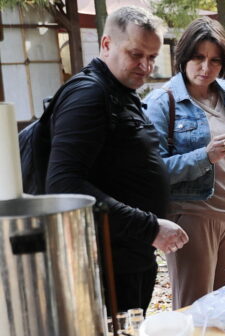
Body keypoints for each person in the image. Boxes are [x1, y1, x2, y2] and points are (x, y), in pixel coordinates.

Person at [45, 6, 188, 312]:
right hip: (104, 266)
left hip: (131, 259)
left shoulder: (122, 91)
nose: (146, 66)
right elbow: (63, 184)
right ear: (106, 44)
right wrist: (148, 227)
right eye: (136, 54)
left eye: (152, 57)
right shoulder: (89, 95)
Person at [143, 18, 225, 309]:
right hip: (194, 220)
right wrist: (203, 156)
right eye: (198, 58)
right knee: (193, 314)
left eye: (214, 60)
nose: (206, 68)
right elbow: (152, 171)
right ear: (183, 57)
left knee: (224, 313)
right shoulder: (161, 102)